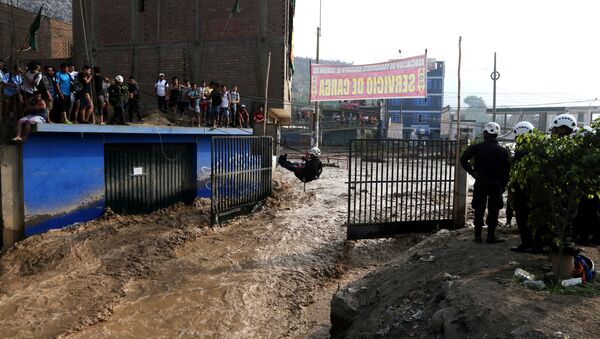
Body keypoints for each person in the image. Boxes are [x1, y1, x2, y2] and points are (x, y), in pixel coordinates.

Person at [460, 122, 511, 243]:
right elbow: (507, 171)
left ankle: (477, 236)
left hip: (481, 182)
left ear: (485, 133)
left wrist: (472, 172)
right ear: (496, 135)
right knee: (494, 210)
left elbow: (463, 159)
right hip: (496, 183)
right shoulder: (503, 151)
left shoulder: (477, 147)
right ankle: (490, 236)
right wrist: (503, 185)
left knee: (479, 209)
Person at [509, 121, 537, 252]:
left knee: (523, 218)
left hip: (522, 192)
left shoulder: (519, 153)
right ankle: (530, 244)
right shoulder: (536, 151)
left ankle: (527, 243)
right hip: (532, 192)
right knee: (530, 218)